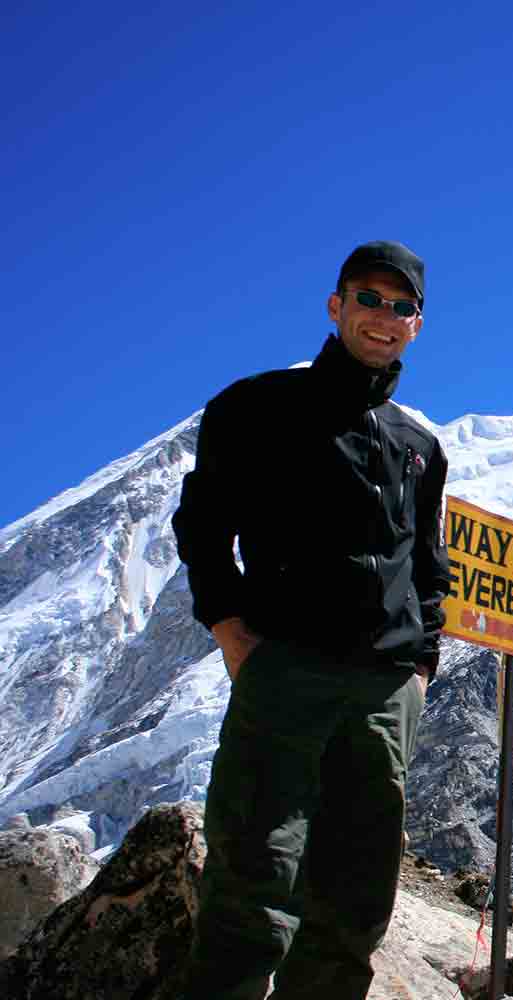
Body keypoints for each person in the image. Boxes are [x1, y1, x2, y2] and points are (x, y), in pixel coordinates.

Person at [172, 240, 451, 999]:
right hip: (287, 674)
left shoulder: (419, 446)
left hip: (384, 694)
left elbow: (429, 569)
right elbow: (202, 526)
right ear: (336, 307)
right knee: (252, 888)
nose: (383, 318)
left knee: (354, 904)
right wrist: (230, 628)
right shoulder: (256, 407)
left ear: (416, 326)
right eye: (369, 299)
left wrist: (421, 666)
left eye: (401, 307)